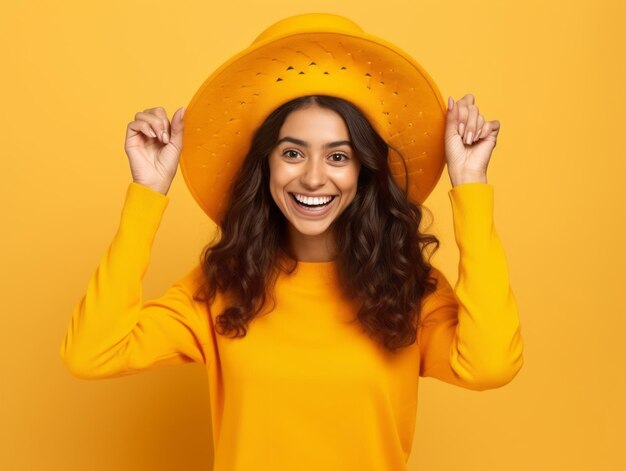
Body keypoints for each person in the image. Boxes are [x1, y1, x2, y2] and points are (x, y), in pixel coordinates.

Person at [60, 13, 524, 470]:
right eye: (293, 153)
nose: (314, 177)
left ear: (364, 170)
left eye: (338, 155)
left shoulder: (407, 287)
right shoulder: (223, 285)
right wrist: (147, 193)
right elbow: (92, 352)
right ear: (266, 164)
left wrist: (470, 185)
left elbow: (490, 365)